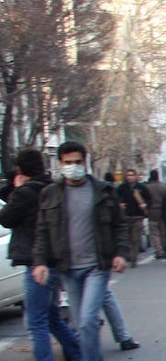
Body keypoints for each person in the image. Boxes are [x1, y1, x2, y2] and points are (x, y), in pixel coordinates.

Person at [32, 141, 130, 361]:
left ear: (85, 161)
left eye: (77, 161)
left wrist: (120, 253)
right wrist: (39, 262)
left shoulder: (103, 191)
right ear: (60, 164)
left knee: (87, 321)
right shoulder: (50, 194)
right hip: (67, 267)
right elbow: (42, 231)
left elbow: (119, 225)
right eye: (68, 162)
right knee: (79, 324)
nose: (73, 166)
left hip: (97, 265)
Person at [0, 148, 81, 361]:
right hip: (56, 257)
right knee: (51, 316)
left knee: (36, 320)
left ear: (20, 169)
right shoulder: (54, 188)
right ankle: (77, 352)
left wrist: (17, 188)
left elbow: (6, 219)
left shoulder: (25, 192)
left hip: (35, 261)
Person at [116, 169, 150, 268]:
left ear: (135, 176)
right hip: (125, 216)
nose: (129, 177)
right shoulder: (122, 188)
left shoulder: (141, 188)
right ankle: (128, 255)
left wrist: (144, 205)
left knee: (135, 239)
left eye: (131, 175)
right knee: (127, 238)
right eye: (128, 175)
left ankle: (133, 258)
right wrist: (119, 204)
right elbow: (115, 199)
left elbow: (148, 199)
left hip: (138, 216)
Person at [144, 170, 166, 259]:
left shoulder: (146, 187)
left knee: (154, 232)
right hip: (163, 210)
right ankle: (165, 247)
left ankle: (158, 251)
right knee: (163, 230)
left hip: (152, 211)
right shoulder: (164, 187)